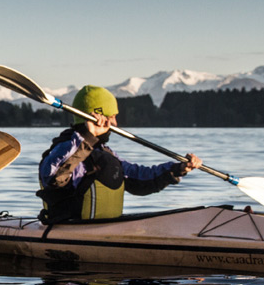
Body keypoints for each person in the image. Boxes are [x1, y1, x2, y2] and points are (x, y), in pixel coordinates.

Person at [37, 85, 202, 224]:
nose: (115, 123)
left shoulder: (103, 153)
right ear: (98, 116)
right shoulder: (65, 148)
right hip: (71, 230)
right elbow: (52, 178)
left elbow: (140, 180)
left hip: (104, 229)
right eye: (112, 117)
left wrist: (177, 169)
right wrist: (88, 137)